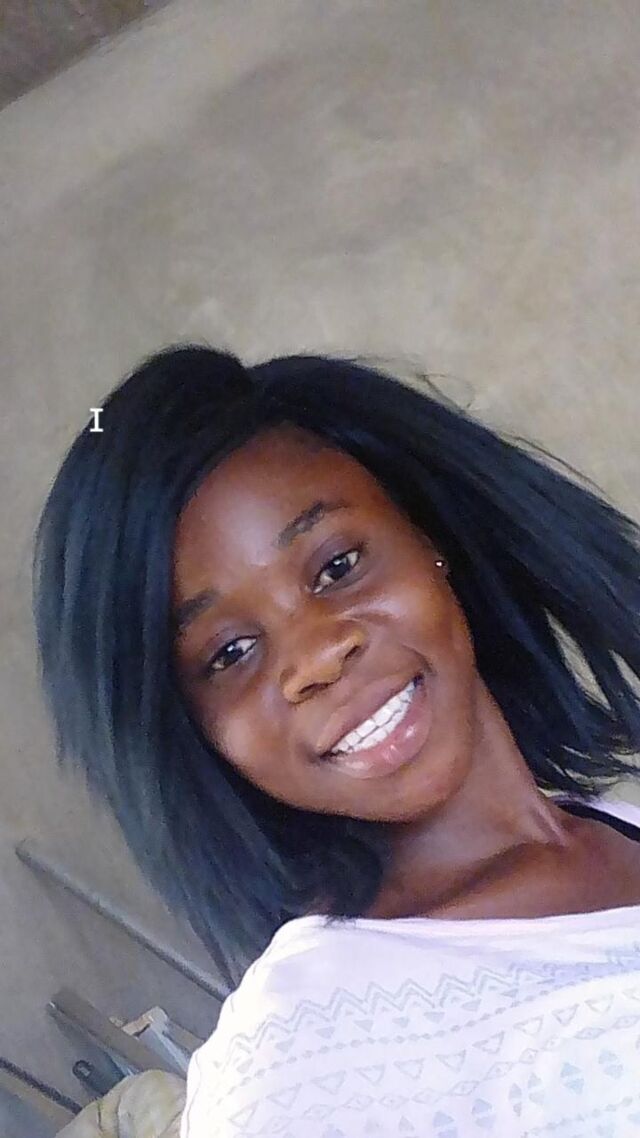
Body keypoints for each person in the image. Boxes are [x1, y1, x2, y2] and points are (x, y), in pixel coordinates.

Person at [32, 346, 640, 1137]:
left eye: (337, 565)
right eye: (230, 653)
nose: (318, 656)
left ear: (425, 537)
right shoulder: (301, 1071)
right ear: (194, 734)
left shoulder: (610, 822)